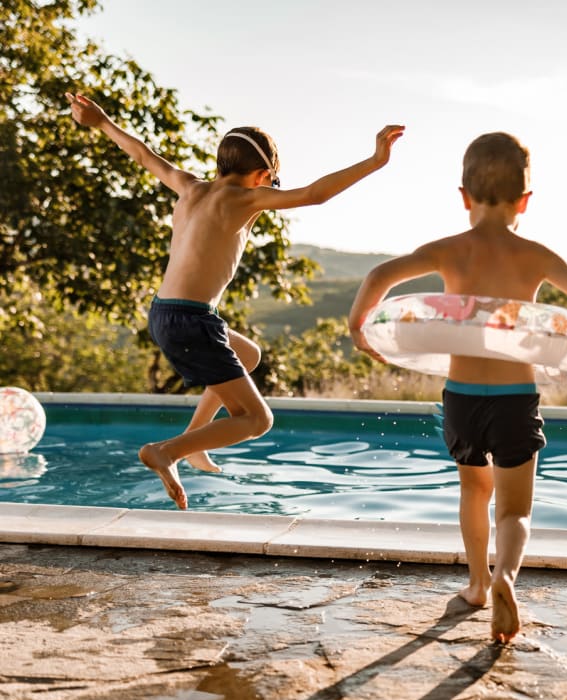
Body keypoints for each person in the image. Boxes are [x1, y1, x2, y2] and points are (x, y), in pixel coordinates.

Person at [66, 92, 404, 510]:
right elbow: (316, 194)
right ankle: (166, 452)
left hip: (165, 311)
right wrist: (375, 161)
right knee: (258, 420)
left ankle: (194, 444)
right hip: (191, 320)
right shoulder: (246, 199)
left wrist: (100, 121)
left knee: (248, 353)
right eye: (272, 180)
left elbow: (143, 154)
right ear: (262, 174)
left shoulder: (188, 185)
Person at [348, 132, 567, 643]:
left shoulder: (450, 250)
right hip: (517, 397)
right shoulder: (534, 254)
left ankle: (474, 584)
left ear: (463, 195)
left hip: (462, 398)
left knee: (474, 491)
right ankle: (505, 578)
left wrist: (361, 329)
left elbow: (381, 274)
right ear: (525, 201)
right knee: (515, 509)